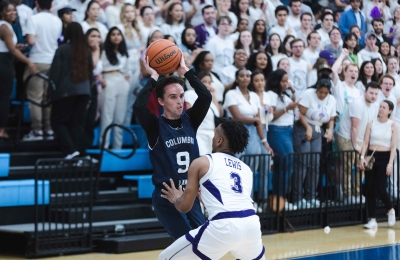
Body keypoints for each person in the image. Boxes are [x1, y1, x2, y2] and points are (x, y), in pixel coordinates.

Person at [158, 118, 265, 259]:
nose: (213, 137)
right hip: (251, 224)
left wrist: (176, 198)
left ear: (219, 141)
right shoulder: (246, 169)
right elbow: (235, 199)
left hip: (224, 226)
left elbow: (184, 207)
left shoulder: (201, 162)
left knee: (165, 258)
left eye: (215, 134)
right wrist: (207, 199)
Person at [133, 51, 211, 240]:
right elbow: (138, 106)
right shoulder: (155, 126)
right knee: (188, 244)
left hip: (190, 194)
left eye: (182, 96)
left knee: (204, 241)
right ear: (161, 101)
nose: (180, 101)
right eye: (173, 97)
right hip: (167, 196)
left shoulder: (190, 120)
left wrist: (185, 70)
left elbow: (206, 97)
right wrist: (153, 76)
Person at [49, 22, 92, 158]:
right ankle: (77, 153)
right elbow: (91, 73)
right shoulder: (87, 50)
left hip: (65, 92)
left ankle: (70, 151)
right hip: (84, 92)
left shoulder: (62, 49)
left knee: (57, 121)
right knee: (76, 124)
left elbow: (55, 74)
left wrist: (51, 93)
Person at [292, 78, 336, 208]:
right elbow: (299, 113)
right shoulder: (308, 94)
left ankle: (311, 196)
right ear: (316, 89)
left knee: (314, 164)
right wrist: (308, 128)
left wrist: (330, 130)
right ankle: (297, 198)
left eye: (325, 93)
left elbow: (331, 118)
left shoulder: (332, 99)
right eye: (320, 92)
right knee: (302, 164)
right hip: (303, 129)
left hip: (318, 130)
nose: (322, 95)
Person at [335, 82, 380, 204]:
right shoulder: (358, 104)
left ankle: (357, 193)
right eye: (371, 93)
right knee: (347, 167)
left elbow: (370, 127)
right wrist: (355, 146)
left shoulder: (375, 105)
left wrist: (365, 145)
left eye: (376, 94)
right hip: (346, 137)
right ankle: (347, 195)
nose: (373, 96)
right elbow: (354, 127)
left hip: (361, 140)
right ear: (365, 92)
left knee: (363, 166)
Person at [23, 0, 62, 141]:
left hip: (37, 60)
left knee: (35, 97)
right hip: (52, 60)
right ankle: (48, 129)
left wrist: (26, 42)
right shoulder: (57, 20)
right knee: (48, 97)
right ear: (51, 5)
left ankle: (37, 131)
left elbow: (31, 41)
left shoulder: (33, 19)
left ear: (36, 4)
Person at [0, 1, 37, 139]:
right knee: (3, 97)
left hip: (5, 61)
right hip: (3, 64)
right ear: (1, 12)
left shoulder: (7, 26)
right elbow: (11, 49)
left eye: (14, 10)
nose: (13, 13)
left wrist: (16, 49)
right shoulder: (4, 27)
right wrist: (29, 62)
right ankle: (1, 129)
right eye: (8, 10)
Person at [360, 100, 397, 229]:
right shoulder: (371, 123)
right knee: (370, 188)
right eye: (380, 107)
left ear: (390, 111)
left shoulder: (393, 125)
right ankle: (373, 219)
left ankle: (390, 209)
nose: (381, 109)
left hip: (385, 156)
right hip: (371, 155)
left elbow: (393, 147)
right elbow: (365, 142)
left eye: (384, 107)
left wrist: (390, 163)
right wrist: (362, 157)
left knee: (381, 188)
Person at [224, 68, 273, 156]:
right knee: (238, 158)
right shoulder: (231, 94)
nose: (245, 78)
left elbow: (259, 122)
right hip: (236, 130)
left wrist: (264, 141)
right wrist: (255, 120)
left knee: (254, 158)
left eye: (247, 76)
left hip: (252, 132)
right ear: (236, 79)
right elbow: (237, 117)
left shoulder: (254, 96)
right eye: (241, 76)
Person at [267, 69, 297, 209]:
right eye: (283, 81)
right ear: (276, 81)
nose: (286, 83)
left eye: (287, 81)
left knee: (285, 167)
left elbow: (295, 106)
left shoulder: (283, 94)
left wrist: (292, 89)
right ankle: (280, 199)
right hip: (278, 131)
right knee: (286, 164)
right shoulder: (271, 95)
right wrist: (286, 109)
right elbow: (270, 116)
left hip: (288, 131)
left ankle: (280, 200)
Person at [100, 27, 130, 149]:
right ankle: (104, 147)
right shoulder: (103, 51)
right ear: (109, 37)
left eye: (118, 34)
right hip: (109, 79)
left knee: (120, 117)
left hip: (122, 81)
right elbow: (98, 68)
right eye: (113, 34)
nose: (116, 36)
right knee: (107, 116)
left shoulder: (124, 52)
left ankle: (118, 148)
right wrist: (102, 80)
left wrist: (126, 82)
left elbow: (127, 71)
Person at [184, 72, 222, 155]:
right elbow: (189, 114)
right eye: (204, 82)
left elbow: (218, 114)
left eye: (209, 82)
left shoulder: (209, 98)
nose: (207, 85)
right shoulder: (191, 93)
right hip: (199, 133)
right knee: (201, 158)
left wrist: (214, 96)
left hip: (212, 134)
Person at [117, 3, 142, 125]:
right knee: (124, 100)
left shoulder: (137, 29)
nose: (130, 14)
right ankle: (119, 130)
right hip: (126, 64)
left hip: (136, 65)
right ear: (123, 13)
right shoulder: (120, 28)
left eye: (132, 11)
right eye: (127, 11)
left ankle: (126, 128)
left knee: (132, 100)